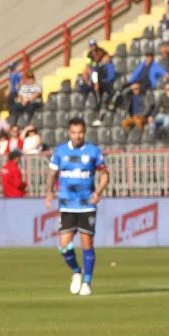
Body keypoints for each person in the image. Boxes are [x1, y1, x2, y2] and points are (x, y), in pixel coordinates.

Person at [45, 118, 109, 297]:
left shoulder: (93, 151)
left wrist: (98, 192)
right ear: (68, 133)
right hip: (67, 204)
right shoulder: (60, 152)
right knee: (64, 245)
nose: (77, 136)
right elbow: (52, 173)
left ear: (85, 132)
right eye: (74, 132)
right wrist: (49, 192)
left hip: (86, 205)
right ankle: (76, 271)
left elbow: (104, 175)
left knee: (86, 243)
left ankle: (87, 282)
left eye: (80, 132)